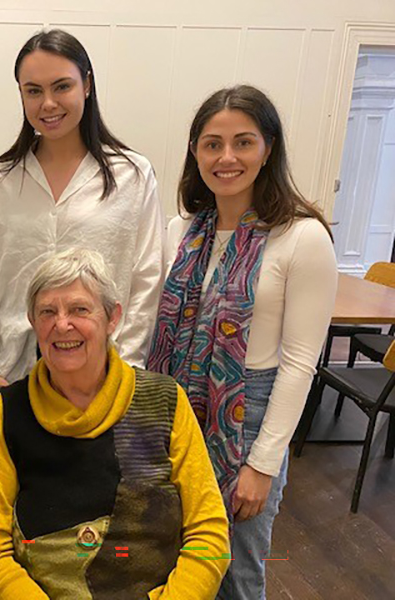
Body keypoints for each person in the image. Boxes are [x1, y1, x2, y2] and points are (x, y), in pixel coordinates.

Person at [147, 85, 337, 599]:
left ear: (268, 148)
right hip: (175, 410)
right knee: (171, 555)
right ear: (195, 152)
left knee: (235, 567)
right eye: (212, 144)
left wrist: (261, 465)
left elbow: (300, 363)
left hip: (247, 416)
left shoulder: (302, 237)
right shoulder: (182, 229)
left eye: (243, 142)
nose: (226, 157)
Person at [0, 248, 229, 600]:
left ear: (112, 317)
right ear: (32, 321)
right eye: (47, 311)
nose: (62, 325)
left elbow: (209, 533)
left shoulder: (165, 401)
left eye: (79, 309)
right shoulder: (6, 412)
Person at [0, 28, 165, 409]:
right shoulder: (0, 181)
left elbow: (146, 279)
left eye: (62, 86)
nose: (48, 103)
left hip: (105, 379)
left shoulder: (132, 176)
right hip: (13, 378)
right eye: (33, 91)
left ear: (87, 85)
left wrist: (129, 368)